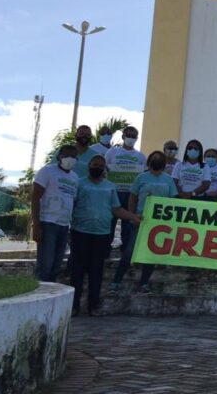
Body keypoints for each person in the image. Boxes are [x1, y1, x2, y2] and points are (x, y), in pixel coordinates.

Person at [70, 155, 140, 315]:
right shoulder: (79, 183)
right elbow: (71, 204)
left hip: (102, 234)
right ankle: (74, 306)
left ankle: (93, 306)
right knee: (77, 271)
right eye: (95, 164)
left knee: (97, 271)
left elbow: (116, 209)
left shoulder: (110, 186)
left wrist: (133, 217)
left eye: (101, 166)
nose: (98, 168)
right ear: (89, 165)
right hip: (80, 232)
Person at [110, 150, 178, 294]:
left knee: (150, 254)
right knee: (129, 253)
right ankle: (116, 282)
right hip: (140, 221)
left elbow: (173, 200)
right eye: (154, 159)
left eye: (159, 159)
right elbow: (133, 198)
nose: (156, 161)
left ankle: (144, 284)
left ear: (164, 163)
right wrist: (132, 216)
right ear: (149, 162)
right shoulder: (141, 177)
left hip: (159, 224)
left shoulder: (168, 180)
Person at [31, 144, 80, 282]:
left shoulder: (75, 177)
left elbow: (73, 200)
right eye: (67, 155)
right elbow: (35, 197)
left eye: (73, 156)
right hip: (48, 223)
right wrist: (36, 225)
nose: (70, 159)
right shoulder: (47, 171)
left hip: (64, 225)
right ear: (59, 156)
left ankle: (51, 290)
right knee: (45, 264)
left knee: (56, 265)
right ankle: (39, 290)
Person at [105, 126, 146, 254]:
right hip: (114, 193)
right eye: (129, 135)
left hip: (130, 195)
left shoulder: (140, 156)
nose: (131, 138)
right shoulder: (112, 152)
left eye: (134, 136)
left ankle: (126, 253)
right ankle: (105, 251)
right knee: (110, 223)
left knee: (128, 224)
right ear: (123, 136)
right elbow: (105, 170)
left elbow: (142, 176)